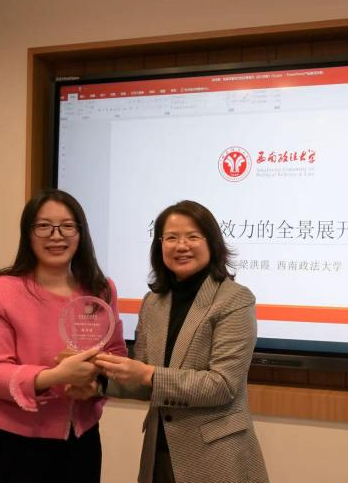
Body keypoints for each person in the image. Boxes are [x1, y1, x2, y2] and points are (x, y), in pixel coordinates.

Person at [95, 200, 269, 483]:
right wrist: (98, 381)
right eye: (171, 238)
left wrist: (148, 374)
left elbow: (223, 385)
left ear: (212, 243)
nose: (181, 246)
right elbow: (143, 378)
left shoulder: (235, 299)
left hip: (216, 456)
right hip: (159, 451)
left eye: (192, 236)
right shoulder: (153, 302)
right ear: (159, 245)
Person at [0, 188, 127, 483]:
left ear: (81, 233)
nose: (56, 235)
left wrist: (95, 384)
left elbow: (116, 354)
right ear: (28, 233)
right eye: (44, 226)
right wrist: (55, 376)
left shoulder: (101, 289)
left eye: (67, 226)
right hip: (16, 445)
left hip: (82, 441)